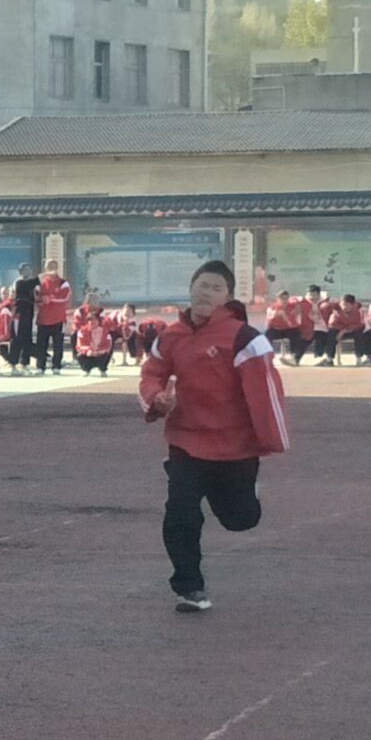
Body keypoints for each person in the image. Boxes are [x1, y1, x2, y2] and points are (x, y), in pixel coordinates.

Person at [139, 260, 289, 613]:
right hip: (186, 442)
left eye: (215, 288)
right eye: (201, 285)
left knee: (241, 519)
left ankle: (245, 492)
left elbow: (266, 392)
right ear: (190, 290)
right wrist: (157, 400)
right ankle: (189, 587)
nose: (205, 293)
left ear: (227, 297)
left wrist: (270, 440)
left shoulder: (245, 339)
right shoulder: (171, 336)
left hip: (235, 447)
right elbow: (151, 374)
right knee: (181, 512)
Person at [34, 259, 72, 373]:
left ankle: (56, 366)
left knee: (58, 345)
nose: (52, 268)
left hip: (58, 319)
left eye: (54, 266)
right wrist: (41, 300)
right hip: (43, 319)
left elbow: (64, 298)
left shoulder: (63, 283)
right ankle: (40, 367)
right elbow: (35, 297)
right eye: (49, 266)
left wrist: (49, 299)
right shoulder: (40, 282)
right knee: (41, 345)